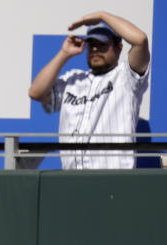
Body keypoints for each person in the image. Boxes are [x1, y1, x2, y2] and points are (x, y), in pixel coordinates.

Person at [28, 12, 150, 169]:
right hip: (72, 180)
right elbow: (36, 92)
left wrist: (102, 16)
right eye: (92, 44)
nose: (95, 49)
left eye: (102, 44)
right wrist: (64, 54)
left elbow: (140, 40)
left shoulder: (126, 76)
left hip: (113, 179)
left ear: (118, 48)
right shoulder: (74, 79)